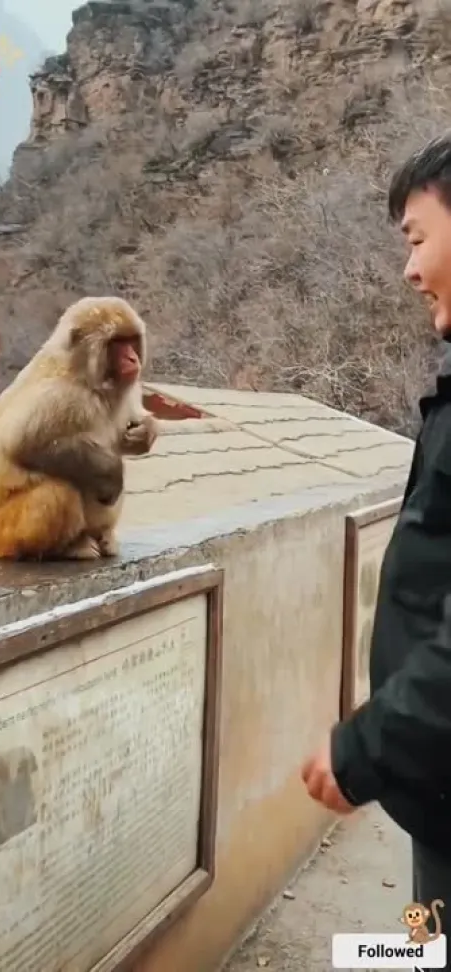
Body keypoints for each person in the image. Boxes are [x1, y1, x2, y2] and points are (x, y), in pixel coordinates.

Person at [301, 132, 451, 961]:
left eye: (417, 238)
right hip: (434, 793)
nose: (408, 269)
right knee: (424, 932)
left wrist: (363, 747)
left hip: (427, 772)